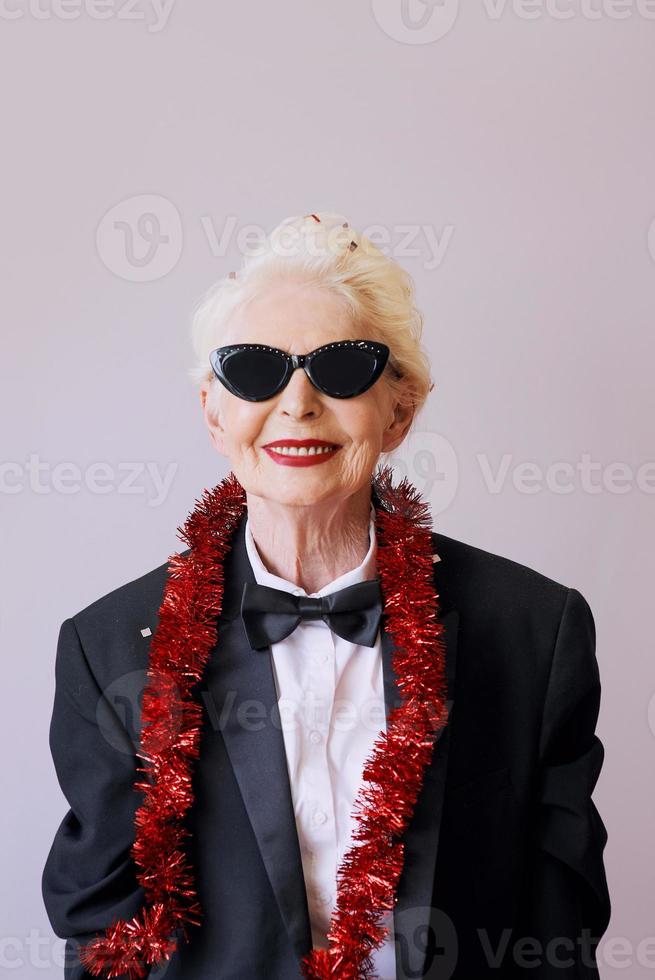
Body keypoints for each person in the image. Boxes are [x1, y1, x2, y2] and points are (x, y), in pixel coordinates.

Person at [42, 212, 611, 979]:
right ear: (214, 414)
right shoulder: (108, 644)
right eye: (255, 368)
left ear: (401, 410)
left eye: (342, 368)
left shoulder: (533, 631)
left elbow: (558, 933)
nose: (298, 403)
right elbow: (101, 936)